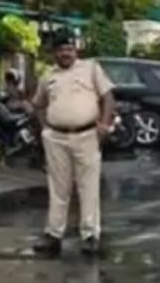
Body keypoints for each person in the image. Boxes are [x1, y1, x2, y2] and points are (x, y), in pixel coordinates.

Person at [31, 31, 115, 257]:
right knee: (58, 187)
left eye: (69, 49)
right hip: (56, 137)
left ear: (75, 50)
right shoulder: (48, 75)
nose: (66, 53)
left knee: (88, 186)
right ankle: (53, 234)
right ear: (54, 53)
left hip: (87, 134)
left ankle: (90, 235)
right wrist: (44, 129)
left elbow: (108, 97)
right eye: (61, 50)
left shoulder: (90, 68)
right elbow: (38, 104)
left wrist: (105, 125)